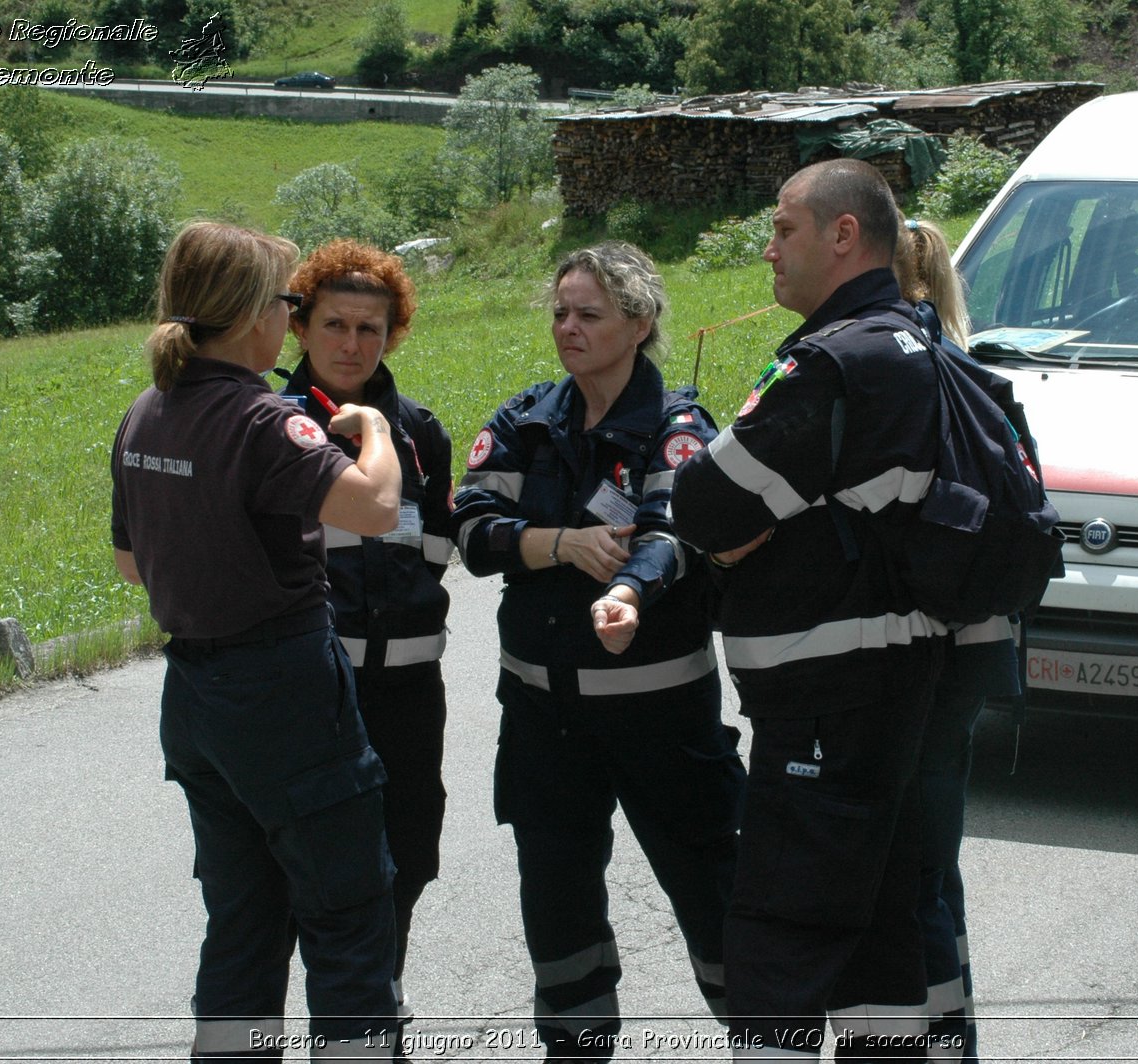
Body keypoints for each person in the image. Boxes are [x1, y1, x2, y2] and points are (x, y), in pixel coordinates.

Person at [670, 160, 946, 1059]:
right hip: (898, 685)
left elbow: (705, 506)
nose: (768, 248)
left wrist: (741, 516)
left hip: (826, 695)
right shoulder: (918, 339)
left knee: (780, 936)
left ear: (843, 236)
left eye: (785, 228)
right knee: (878, 935)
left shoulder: (838, 359)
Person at [110, 221, 403, 1060]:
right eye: (289, 303)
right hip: (281, 686)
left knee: (241, 920)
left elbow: (134, 565)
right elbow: (376, 511)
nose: (292, 318)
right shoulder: (262, 420)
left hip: (196, 695)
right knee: (347, 913)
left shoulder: (147, 412)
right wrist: (374, 431)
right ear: (249, 316)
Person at [451, 241, 745, 1058]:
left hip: (663, 722)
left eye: (588, 313)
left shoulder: (677, 426)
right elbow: (471, 530)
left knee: (714, 903)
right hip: (545, 721)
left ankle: (767, 1041)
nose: (567, 328)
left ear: (640, 322)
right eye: (559, 311)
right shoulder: (525, 420)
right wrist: (560, 544)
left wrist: (626, 590)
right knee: (558, 911)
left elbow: (673, 528)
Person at [277, 239, 454, 1026]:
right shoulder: (273, 427)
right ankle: (312, 1017)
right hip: (313, 690)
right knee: (299, 876)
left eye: (371, 330)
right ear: (301, 328)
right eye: (336, 325)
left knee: (406, 858)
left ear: (394, 335)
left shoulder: (421, 432)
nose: (352, 345)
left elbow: (439, 545)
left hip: (411, 690)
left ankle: (380, 1006)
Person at [895, 217, 1021, 1063]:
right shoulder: (978, 376)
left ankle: (943, 1044)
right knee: (936, 860)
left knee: (909, 868)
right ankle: (955, 1030)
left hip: (919, 654)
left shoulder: (896, 373)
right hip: (978, 649)